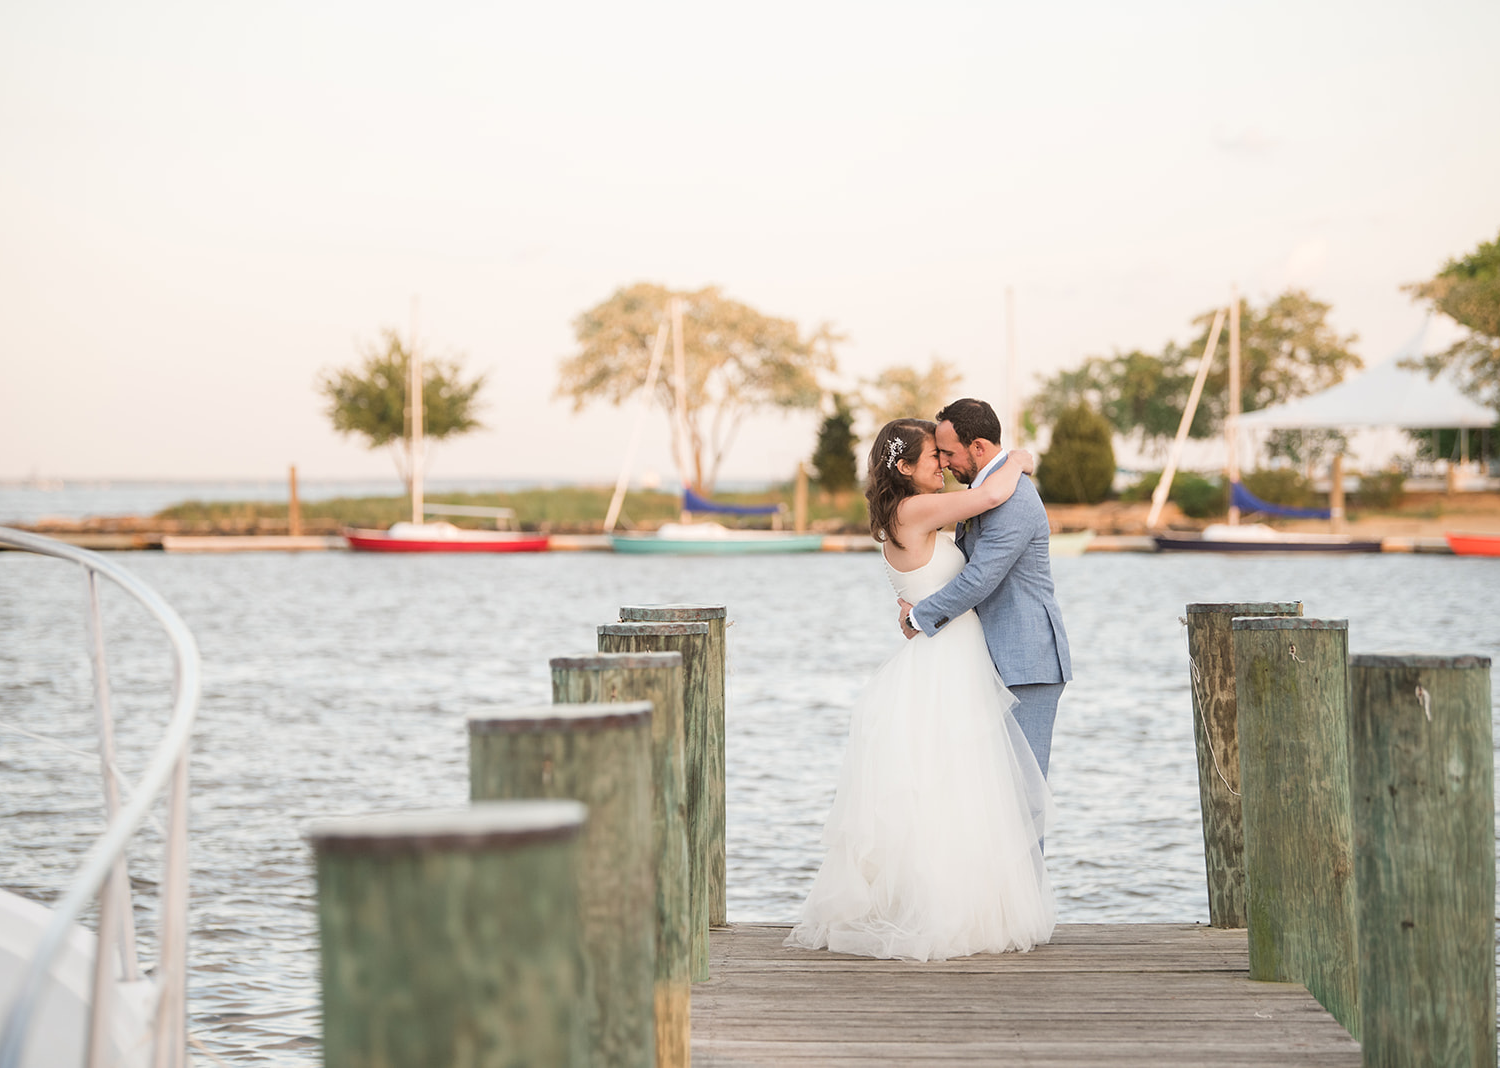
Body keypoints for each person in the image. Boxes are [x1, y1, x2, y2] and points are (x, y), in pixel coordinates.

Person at [785, 418, 1055, 961]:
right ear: (904, 469)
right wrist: (1022, 459)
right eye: (933, 456)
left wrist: (916, 612)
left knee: (951, 788)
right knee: (957, 786)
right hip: (946, 662)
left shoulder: (900, 514)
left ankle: (961, 903)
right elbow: (994, 492)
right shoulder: (915, 509)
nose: (941, 465)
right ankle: (954, 911)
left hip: (946, 655)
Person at [898, 398, 1071, 778]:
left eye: (948, 453)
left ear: (978, 447)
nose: (943, 462)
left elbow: (980, 578)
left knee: (1023, 794)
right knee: (991, 793)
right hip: (989, 660)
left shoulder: (1015, 499)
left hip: (1026, 663)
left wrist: (918, 615)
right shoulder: (987, 489)